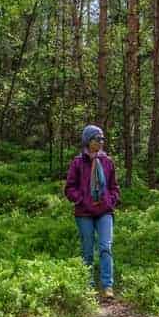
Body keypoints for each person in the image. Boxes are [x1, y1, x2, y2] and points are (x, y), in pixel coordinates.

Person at [65, 125, 120, 297]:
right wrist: (81, 199)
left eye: (103, 139)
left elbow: (114, 187)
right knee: (87, 250)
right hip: (84, 213)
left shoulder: (107, 162)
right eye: (98, 139)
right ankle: (88, 287)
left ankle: (107, 286)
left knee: (105, 247)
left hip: (105, 212)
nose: (101, 142)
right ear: (88, 141)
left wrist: (110, 200)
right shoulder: (77, 162)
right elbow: (69, 188)